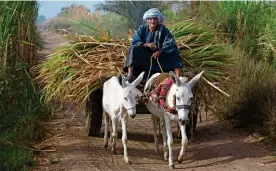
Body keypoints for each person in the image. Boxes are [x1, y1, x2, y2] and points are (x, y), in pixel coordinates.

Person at [123, 8, 184, 82]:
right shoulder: (142, 29)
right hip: (145, 56)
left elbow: (170, 43)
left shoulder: (163, 29)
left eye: (154, 19)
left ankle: (177, 78)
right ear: (147, 20)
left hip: (160, 57)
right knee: (133, 48)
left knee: (174, 52)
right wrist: (146, 44)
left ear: (157, 20)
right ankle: (130, 75)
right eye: (150, 19)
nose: (152, 21)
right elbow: (135, 42)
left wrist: (159, 51)